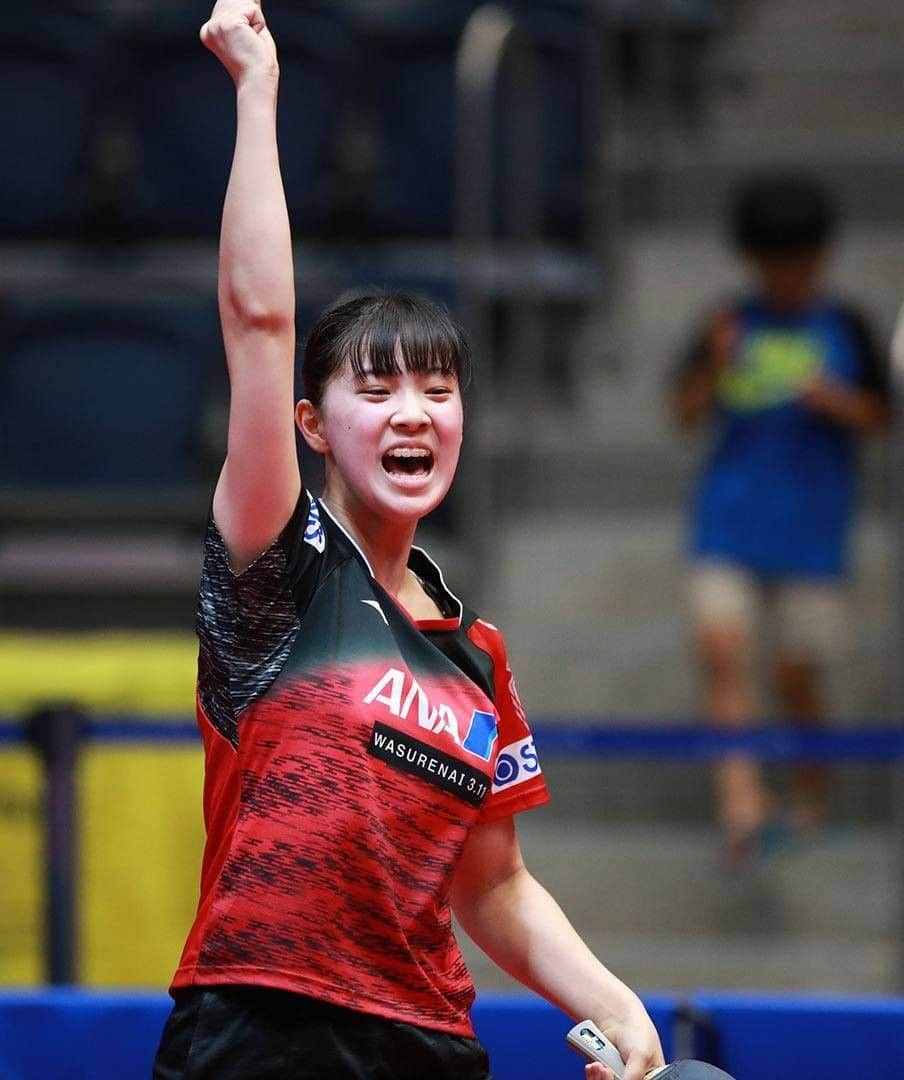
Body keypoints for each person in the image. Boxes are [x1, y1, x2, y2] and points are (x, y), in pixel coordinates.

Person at [153, 3, 665, 1078]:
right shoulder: (277, 571)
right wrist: (256, 89)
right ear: (313, 426)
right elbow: (258, 325)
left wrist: (620, 1006)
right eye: (375, 390)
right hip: (263, 1025)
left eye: (438, 390)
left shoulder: (478, 660)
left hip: (427, 1041)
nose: (414, 414)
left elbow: (494, 884)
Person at [672, 171, 891, 866]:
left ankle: (807, 793)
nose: (786, 278)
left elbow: (882, 417)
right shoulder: (726, 323)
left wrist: (836, 402)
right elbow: (683, 411)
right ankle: (741, 801)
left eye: (798, 264)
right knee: (721, 649)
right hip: (728, 519)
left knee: (798, 671)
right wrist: (715, 366)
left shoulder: (848, 326)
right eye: (773, 265)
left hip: (812, 532)